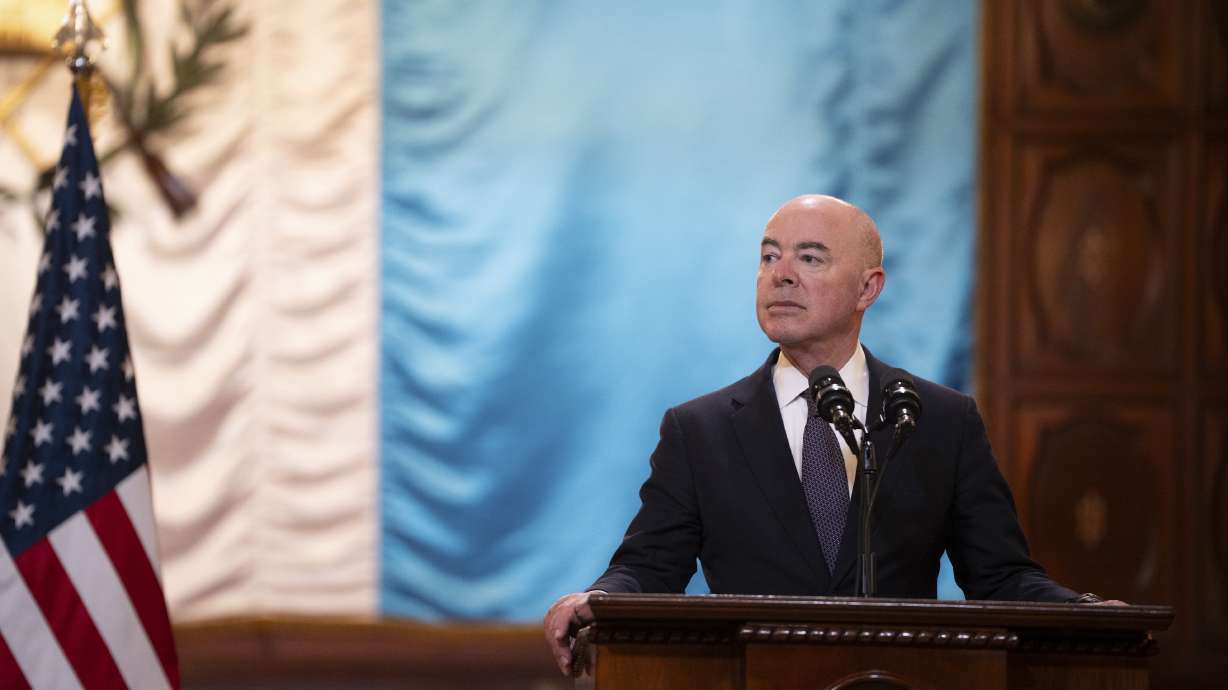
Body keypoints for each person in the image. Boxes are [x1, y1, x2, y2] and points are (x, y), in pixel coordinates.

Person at [543, 194, 1113, 676]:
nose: (781, 273)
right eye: (769, 256)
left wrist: (1086, 612)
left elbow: (1001, 575)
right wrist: (596, 598)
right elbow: (648, 569)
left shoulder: (939, 419)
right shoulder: (700, 430)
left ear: (868, 288)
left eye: (809, 257)